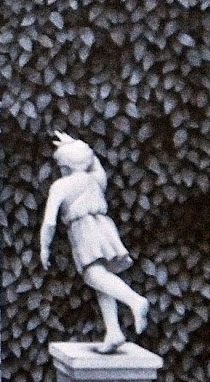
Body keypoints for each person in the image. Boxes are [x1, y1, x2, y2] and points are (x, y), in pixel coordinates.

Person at [40, 131, 149, 354]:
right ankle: (114, 331)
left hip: (83, 230)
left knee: (93, 275)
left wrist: (45, 246)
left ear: (65, 166)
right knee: (102, 279)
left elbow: (50, 222)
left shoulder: (61, 186)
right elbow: (95, 164)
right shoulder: (96, 179)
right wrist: (78, 145)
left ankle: (135, 301)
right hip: (103, 226)